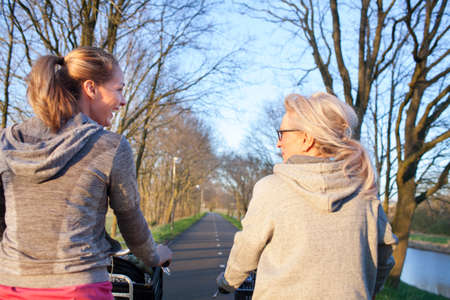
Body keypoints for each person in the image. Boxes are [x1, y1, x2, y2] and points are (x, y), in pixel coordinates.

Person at [0, 46, 172, 299]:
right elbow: (130, 220)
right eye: (119, 89)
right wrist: (155, 255)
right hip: (79, 288)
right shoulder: (110, 146)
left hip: (11, 287)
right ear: (90, 88)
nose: (123, 100)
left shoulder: (8, 143)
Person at [217, 92, 398, 299]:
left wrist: (227, 282)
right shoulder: (365, 192)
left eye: (282, 134)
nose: (279, 143)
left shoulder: (272, 189)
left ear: (306, 139)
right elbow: (385, 256)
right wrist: (365, 289)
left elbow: (247, 249)